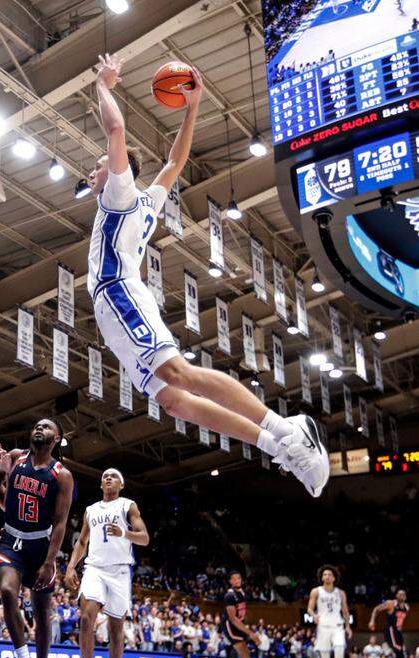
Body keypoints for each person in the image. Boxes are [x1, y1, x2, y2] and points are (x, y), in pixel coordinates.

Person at [87, 53, 328, 497]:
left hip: (118, 292)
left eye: (100, 164)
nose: (94, 169)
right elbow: (174, 165)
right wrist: (193, 109)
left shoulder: (120, 192)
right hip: (116, 301)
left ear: (120, 171)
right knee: (173, 399)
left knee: (178, 374)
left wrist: (102, 85)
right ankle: (276, 444)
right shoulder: (143, 203)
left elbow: (116, 130)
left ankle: (287, 428)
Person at [0, 418, 75, 658]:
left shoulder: (61, 475)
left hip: (41, 545)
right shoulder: (15, 458)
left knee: (41, 612)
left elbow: (61, 523)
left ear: (56, 439)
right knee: (9, 591)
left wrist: (50, 561)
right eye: (37, 425)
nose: (39, 428)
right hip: (11, 540)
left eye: (47, 427)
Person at [65, 468, 149, 658]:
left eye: (113, 477)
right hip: (95, 568)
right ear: (101, 485)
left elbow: (144, 537)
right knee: (85, 617)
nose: (108, 478)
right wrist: (71, 566)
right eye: (104, 477)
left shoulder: (128, 506)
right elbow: (82, 541)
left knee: (115, 628)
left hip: (120, 571)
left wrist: (124, 532)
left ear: (121, 485)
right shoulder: (91, 510)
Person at [308, 565, 351, 658]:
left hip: (337, 626)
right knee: (325, 657)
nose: (327, 576)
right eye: (325, 574)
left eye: (330, 575)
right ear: (322, 577)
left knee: (339, 653)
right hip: (323, 627)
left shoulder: (341, 593)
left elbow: (345, 611)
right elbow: (309, 608)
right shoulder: (316, 591)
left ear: (334, 578)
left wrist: (348, 626)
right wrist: (313, 615)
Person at [220, 571, 263, 658]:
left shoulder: (242, 593)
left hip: (239, 624)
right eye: (234, 579)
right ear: (230, 582)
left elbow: (242, 614)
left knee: (246, 656)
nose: (237, 580)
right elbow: (233, 619)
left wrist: (248, 626)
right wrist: (250, 633)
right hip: (230, 626)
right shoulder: (229, 596)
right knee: (245, 655)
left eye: (239, 578)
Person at [369, 589, 410, 658]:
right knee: (398, 650)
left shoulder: (406, 607)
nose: (401, 595)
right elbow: (376, 609)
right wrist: (372, 621)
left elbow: (400, 620)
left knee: (401, 653)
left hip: (398, 631)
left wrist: (400, 628)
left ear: (405, 597)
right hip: (390, 630)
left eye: (403, 594)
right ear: (396, 596)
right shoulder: (391, 604)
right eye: (399, 594)